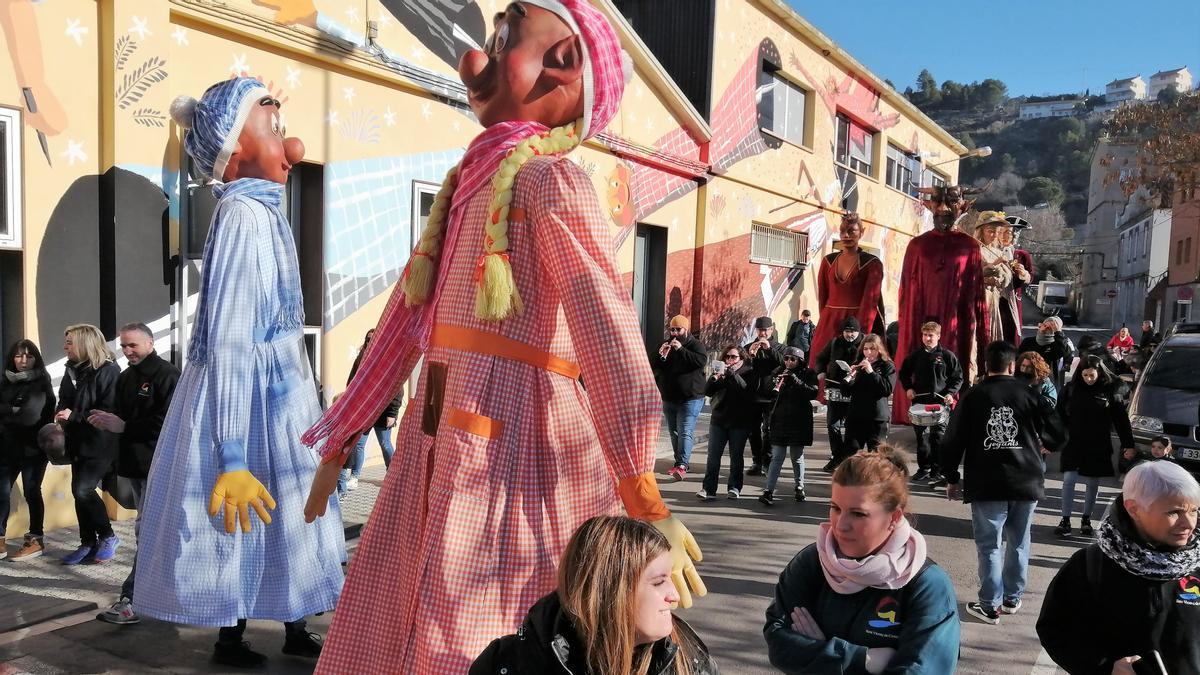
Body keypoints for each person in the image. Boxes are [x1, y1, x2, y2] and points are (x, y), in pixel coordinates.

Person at [299, 4, 706, 671]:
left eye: (503, 36)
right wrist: (345, 428)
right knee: (407, 603)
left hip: (514, 449)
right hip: (440, 432)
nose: (478, 56)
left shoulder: (550, 181)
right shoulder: (469, 180)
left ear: (564, 65)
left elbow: (608, 335)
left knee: (477, 615)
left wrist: (642, 489)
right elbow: (408, 314)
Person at [135, 77, 343, 667]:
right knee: (246, 515)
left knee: (292, 512)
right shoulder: (243, 217)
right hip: (245, 402)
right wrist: (230, 448)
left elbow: (279, 324)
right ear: (233, 148)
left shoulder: (264, 214)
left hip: (279, 395)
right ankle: (232, 633)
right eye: (274, 129)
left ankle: (295, 621)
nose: (293, 145)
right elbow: (229, 332)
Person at [764, 447, 960, 674]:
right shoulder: (812, 562)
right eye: (835, 508)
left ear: (894, 518)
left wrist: (819, 651)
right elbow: (778, 642)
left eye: (858, 514)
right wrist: (863, 659)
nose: (840, 525)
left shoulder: (926, 585)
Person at [470, 515, 718, 675]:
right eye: (659, 582)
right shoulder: (509, 664)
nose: (674, 596)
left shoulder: (688, 659)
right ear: (607, 589)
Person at [1037, 461, 1200, 674]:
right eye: (1174, 512)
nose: (1189, 523)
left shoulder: (1196, 564)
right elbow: (1055, 630)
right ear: (1134, 509)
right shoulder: (1090, 565)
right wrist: (1106, 667)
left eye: (1194, 510)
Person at [941, 340, 1053, 625]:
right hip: (1025, 478)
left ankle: (990, 605)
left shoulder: (974, 396)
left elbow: (952, 440)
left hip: (988, 480)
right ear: (1012, 365)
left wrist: (952, 476)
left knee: (990, 545)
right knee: (1019, 541)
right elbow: (1058, 428)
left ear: (986, 365)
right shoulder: (1028, 394)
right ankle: (1012, 597)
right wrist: (1046, 444)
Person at [88, 323, 180, 625]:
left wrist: (124, 426)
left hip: (160, 465)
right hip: (136, 467)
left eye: (133, 346)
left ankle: (131, 599)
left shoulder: (167, 375)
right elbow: (120, 419)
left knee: (150, 531)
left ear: (150, 343)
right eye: (124, 346)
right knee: (154, 533)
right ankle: (165, 593)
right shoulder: (126, 377)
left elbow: (169, 423)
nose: (127, 352)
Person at [891, 184, 989, 428]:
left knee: (953, 367)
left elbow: (977, 294)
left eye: (951, 203)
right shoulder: (916, 245)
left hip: (956, 322)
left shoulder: (970, 246)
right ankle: (918, 415)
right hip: (921, 319)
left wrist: (984, 343)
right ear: (929, 206)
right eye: (938, 203)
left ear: (963, 207)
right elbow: (905, 292)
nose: (944, 209)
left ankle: (954, 415)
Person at [55, 324, 121, 566]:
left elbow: (108, 410)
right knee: (78, 493)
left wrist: (73, 416)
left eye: (69, 343)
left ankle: (108, 536)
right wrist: (60, 412)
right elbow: (64, 398)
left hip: (99, 443)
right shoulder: (72, 371)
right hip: (77, 441)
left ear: (84, 344)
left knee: (83, 489)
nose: (65, 347)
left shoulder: (108, 371)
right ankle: (87, 542)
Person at [1055, 355, 1136, 537]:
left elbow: (1121, 420)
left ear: (1099, 373)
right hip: (1074, 442)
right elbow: (1058, 417)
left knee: (1092, 482)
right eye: (1085, 375)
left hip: (1098, 443)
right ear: (1080, 373)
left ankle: (1086, 520)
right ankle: (1065, 519)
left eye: (1092, 375)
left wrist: (1128, 445)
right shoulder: (1070, 390)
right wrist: (1051, 440)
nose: (1089, 379)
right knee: (1069, 480)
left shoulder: (1110, 391)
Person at [0, 339, 55, 561]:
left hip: (33, 449)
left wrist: (8, 412)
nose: (23, 361)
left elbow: (30, 415)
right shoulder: (5, 381)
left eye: (29, 356)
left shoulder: (42, 382)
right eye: (19, 356)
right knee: (1, 493)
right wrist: (12, 409)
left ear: (36, 359)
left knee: (32, 491)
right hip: (5, 448)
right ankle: (0, 540)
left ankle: (35, 539)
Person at [808, 212, 884, 362]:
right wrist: (824, 320)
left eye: (852, 231)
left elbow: (870, 303)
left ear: (861, 232)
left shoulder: (872, 263)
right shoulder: (828, 261)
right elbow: (823, 296)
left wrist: (862, 336)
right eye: (843, 231)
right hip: (828, 323)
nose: (846, 235)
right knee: (820, 363)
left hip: (856, 323)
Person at [897, 321, 963, 483]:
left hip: (939, 404)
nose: (927, 338)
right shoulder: (915, 356)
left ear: (938, 336)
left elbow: (957, 378)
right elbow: (904, 373)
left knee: (938, 438)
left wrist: (949, 394)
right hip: (920, 404)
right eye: (925, 335)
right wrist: (909, 388)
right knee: (922, 439)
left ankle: (938, 470)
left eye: (931, 335)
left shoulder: (947, 356)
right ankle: (924, 468)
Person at [338, 329, 401, 495]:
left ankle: (393, 476)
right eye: (367, 339)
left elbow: (397, 389)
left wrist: (392, 413)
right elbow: (352, 381)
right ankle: (355, 477)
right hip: (364, 411)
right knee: (359, 444)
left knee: (385, 444)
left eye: (373, 339)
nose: (370, 342)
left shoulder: (388, 358)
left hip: (382, 411)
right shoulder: (361, 358)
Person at [758, 346, 818, 506]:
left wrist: (794, 380)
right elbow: (767, 392)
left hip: (799, 420)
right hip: (780, 419)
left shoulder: (808, 373)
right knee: (777, 456)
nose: (789, 362)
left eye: (793, 359)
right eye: (786, 359)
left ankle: (799, 486)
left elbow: (812, 392)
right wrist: (774, 383)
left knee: (796, 456)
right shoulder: (777, 371)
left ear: (800, 361)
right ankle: (768, 491)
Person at [697, 345, 757, 501]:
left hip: (739, 421)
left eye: (733, 357)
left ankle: (735, 487)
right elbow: (708, 391)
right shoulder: (722, 370)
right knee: (713, 456)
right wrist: (714, 377)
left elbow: (746, 392)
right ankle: (708, 489)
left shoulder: (749, 372)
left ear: (741, 359)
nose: (729, 360)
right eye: (727, 357)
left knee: (736, 456)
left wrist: (731, 375)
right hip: (719, 419)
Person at [652, 315, 708, 481]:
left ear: (686, 329)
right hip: (669, 397)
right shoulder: (666, 344)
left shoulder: (695, 345)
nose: (675, 333)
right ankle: (679, 461)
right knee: (674, 431)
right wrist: (659, 354)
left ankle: (682, 464)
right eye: (672, 329)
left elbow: (700, 361)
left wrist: (681, 350)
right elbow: (654, 364)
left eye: (678, 329)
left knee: (685, 431)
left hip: (690, 397)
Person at [813, 316, 865, 472]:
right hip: (835, 388)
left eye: (852, 332)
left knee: (851, 427)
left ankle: (849, 459)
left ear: (858, 332)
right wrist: (820, 371)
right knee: (832, 425)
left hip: (854, 390)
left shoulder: (865, 344)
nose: (849, 335)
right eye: (847, 332)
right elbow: (820, 358)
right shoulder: (835, 342)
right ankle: (837, 456)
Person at [975, 211, 1027, 346]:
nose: (993, 235)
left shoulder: (999, 252)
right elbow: (972, 275)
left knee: (995, 338)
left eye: (997, 231)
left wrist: (1019, 274)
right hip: (981, 299)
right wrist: (994, 265)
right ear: (982, 231)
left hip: (996, 301)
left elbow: (1008, 281)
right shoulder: (975, 250)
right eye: (990, 231)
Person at [744, 316, 784, 476]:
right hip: (753, 395)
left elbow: (783, 364)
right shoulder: (749, 347)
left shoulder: (780, 348)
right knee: (752, 430)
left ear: (771, 330)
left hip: (770, 395)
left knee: (767, 429)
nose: (763, 333)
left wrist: (768, 350)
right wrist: (750, 355)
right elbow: (744, 368)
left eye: (766, 330)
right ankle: (757, 461)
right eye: (760, 330)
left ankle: (767, 462)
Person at [843, 334, 895, 453]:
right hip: (856, 417)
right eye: (866, 349)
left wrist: (871, 372)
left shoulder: (887, 366)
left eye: (872, 349)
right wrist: (850, 377)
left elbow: (887, 389)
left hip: (876, 418)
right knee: (851, 454)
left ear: (879, 350)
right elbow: (845, 392)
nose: (868, 352)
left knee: (876, 456)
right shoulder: (858, 365)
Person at [1017, 316, 1074, 391]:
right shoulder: (1028, 341)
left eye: (1051, 328)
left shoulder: (1058, 344)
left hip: (1049, 383)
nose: (1046, 329)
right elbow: (1018, 359)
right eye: (1044, 325)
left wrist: (1058, 333)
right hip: (1026, 381)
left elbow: (1063, 352)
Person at [1002, 215, 1035, 328]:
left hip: (1013, 300)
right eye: (1003, 231)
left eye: (1009, 232)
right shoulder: (990, 250)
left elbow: (1031, 277)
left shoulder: (1022, 255)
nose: (1006, 235)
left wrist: (1024, 274)